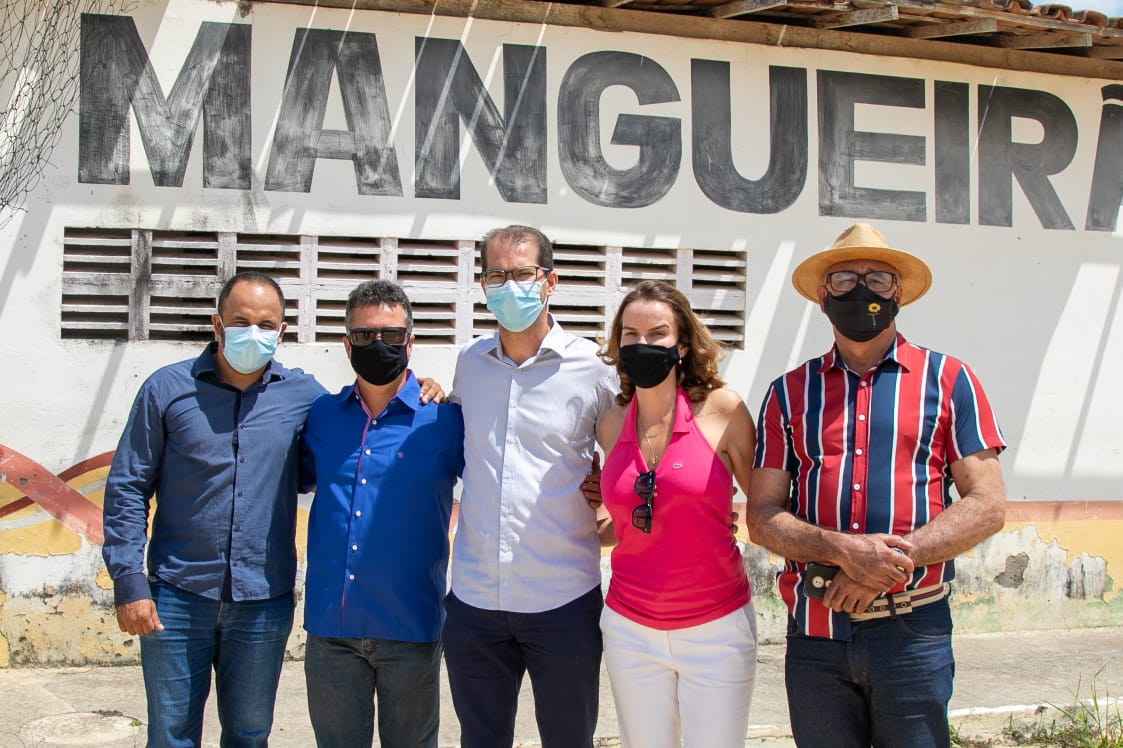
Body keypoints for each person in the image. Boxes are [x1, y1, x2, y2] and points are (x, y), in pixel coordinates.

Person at [745, 223, 1007, 748]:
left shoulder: (951, 380)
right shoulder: (788, 393)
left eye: (878, 279)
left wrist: (888, 563)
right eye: (844, 279)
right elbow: (762, 515)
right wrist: (842, 550)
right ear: (823, 297)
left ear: (899, 293)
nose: (861, 289)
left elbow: (987, 505)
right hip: (817, 632)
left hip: (911, 630)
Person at [101, 271, 327, 748]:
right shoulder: (167, 390)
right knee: (171, 736)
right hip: (176, 596)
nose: (253, 333)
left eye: (266, 324)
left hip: (263, 601)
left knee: (249, 734)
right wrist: (129, 581)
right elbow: (128, 487)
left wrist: (420, 387)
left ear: (282, 331)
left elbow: (357, 425)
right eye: (240, 322)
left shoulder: (305, 397)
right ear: (217, 324)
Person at [443, 225, 619, 748]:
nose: (509, 286)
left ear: (550, 281)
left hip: (562, 601)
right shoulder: (469, 363)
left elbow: (630, 460)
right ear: (482, 284)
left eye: (523, 273)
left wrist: (611, 502)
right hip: (475, 600)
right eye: (497, 275)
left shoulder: (592, 368)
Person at [594, 279, 758, 748]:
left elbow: (767, 509)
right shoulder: (610, 424)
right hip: (630, 629)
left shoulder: (724, 410)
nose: (642, 344)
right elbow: (618, 528)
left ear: (682, 344)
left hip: (715, 626)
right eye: (630, 335)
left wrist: (722, 522)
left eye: (657, 333)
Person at [300, 280, 464, 748]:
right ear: (346, 344)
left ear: (410, 343)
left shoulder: (445, 420)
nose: (379, 345)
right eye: (365, 335)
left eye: (391, 335)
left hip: (410, 627)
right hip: (332, 630)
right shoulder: (321, 416)